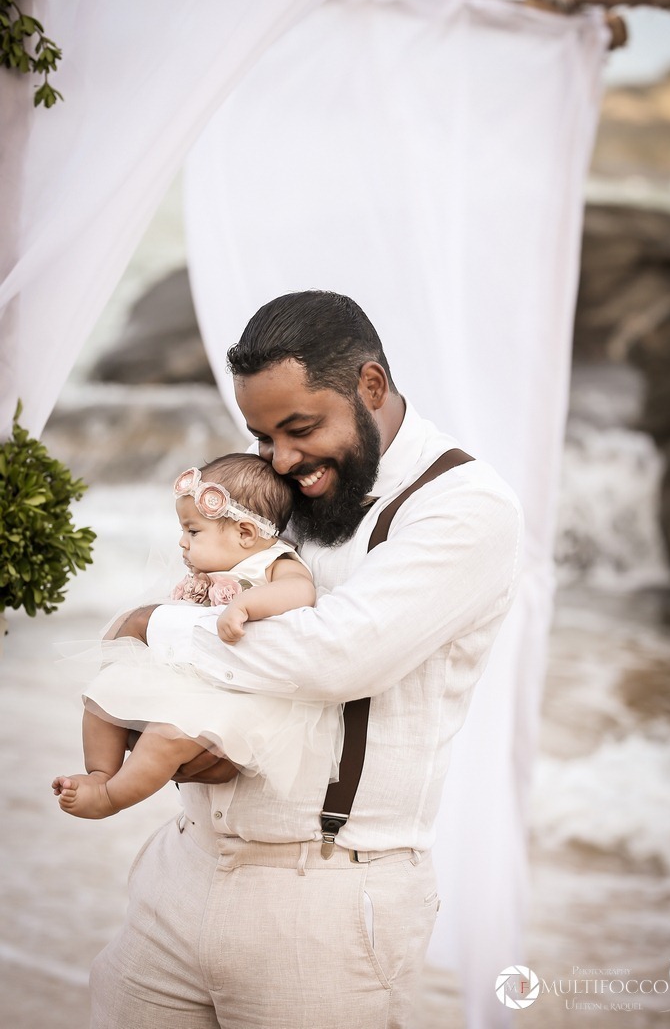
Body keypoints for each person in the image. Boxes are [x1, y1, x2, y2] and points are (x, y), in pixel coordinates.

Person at [89, 290, 524, 1029]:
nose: (283, 460)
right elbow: (211, 592)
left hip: (323, 902)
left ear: (371, 386)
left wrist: (149, 624)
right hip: (182, 866)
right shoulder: (288, 484)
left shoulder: (463, 508)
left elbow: (335, 656)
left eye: (300, 428)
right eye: (261, 438)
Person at [52, 452, 340, 818]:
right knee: (103, 697)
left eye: (193, 531)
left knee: (165, 737)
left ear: (245, 533)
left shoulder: (274, 563)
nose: (182, 543)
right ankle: (100, 772)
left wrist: (245, 605)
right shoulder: (215, 565)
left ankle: (111, 798)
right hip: (189, 674)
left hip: (232, 694)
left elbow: (302, 592)